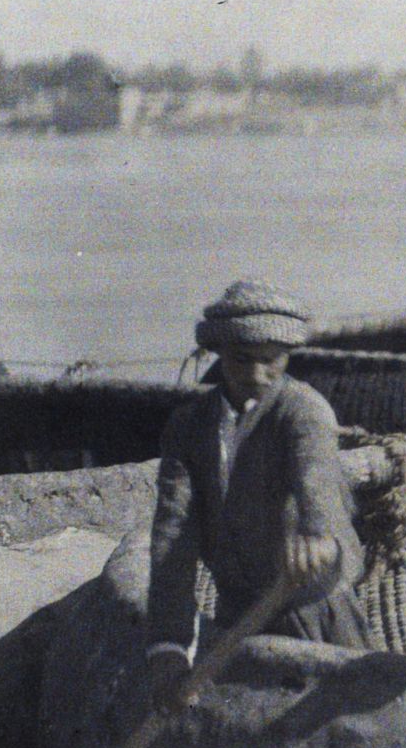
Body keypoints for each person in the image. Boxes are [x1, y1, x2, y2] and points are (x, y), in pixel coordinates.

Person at [143, 280, 372, 712]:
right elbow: (173, 538)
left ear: (287, 357)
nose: (255, 375)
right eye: (241, 360)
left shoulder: (302, 410)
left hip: (315, 612)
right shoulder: (188, 426)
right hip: (238, 614)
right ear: (219, 354)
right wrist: (168, 647)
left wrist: (316, 532)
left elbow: (315, 476)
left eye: (271, 361)